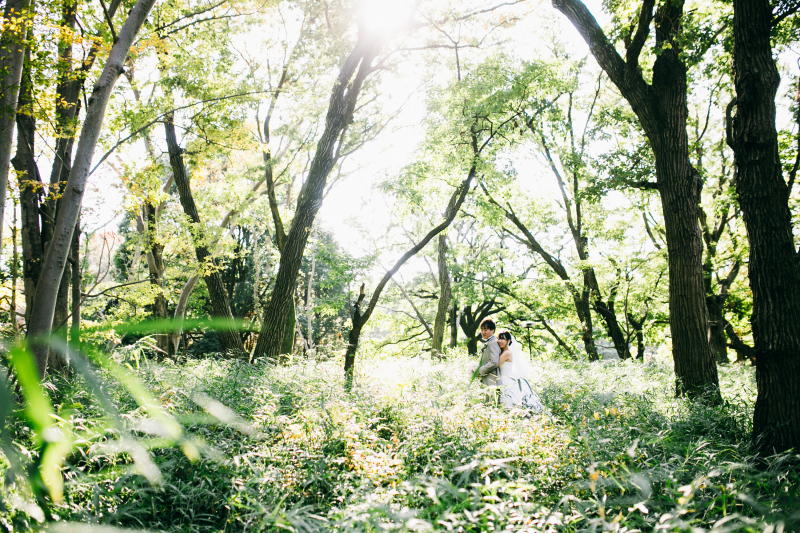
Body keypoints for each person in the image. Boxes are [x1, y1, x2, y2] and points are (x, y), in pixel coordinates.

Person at [496, 331, 546, 413]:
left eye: (502, 339)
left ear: (508, 341)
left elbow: (495, 364)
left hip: (506, 379)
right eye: (498, 339)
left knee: (509, 401)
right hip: (503, 378)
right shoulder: (503, 352)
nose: (500, 341)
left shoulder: (507, 353)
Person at [475, 318, 501, 387]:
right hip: (486, 378)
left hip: (491, 378)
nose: (483, 332)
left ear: (492, 330)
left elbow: (494, 361)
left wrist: (480, 371)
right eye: (482, 330)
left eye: (486, 330)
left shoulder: (493, 342)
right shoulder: (489, 342)